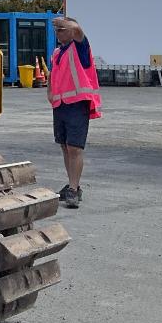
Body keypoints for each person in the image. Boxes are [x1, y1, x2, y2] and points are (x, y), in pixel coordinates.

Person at [48, 16, 102, 209]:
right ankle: (73, 185)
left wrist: (67, 23)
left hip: (77, 104)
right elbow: (52, 74)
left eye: (62, 29)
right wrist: (50, 92)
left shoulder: (79, 47)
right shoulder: (57, 52)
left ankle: (73, 189)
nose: (58, 32)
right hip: (60, 104)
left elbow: (78, 31)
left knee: (75, 148)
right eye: (57, 30)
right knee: (64, 146)